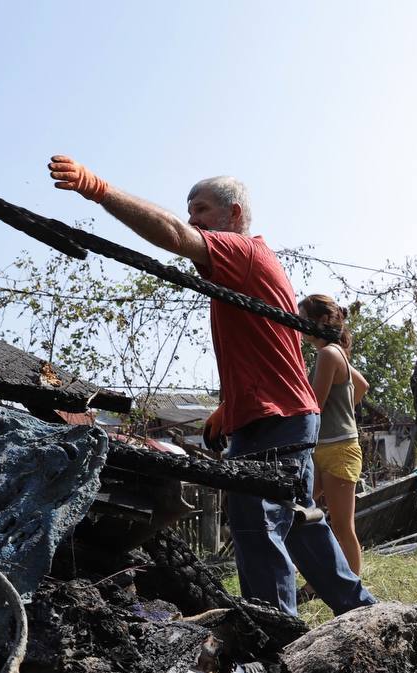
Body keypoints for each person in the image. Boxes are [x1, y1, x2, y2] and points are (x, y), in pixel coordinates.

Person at [48, 154, 375, 617]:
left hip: (274, 421)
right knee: (302, 524)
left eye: (200, 209)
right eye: (190, 209)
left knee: (257, 526)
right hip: (276, 414)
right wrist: (230, 405)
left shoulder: (244, 253)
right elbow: (259, 351)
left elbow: (176, 237)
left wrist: (100, 190)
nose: (192, 219)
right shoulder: (243, 267)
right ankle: (362, 611)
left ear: (233, 214)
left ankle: (276, 637)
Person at [297, 294, 368, 578]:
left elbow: (315, 403)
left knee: (341, 525)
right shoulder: (335, 353)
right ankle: (317, 580)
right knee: (299, 513)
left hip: (338, 450)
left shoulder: (328, 354)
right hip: (327, 448)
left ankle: (354, 587)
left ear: (322, 320)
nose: (299, 325)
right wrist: (344, 414)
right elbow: (361, 385)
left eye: (303, 319)